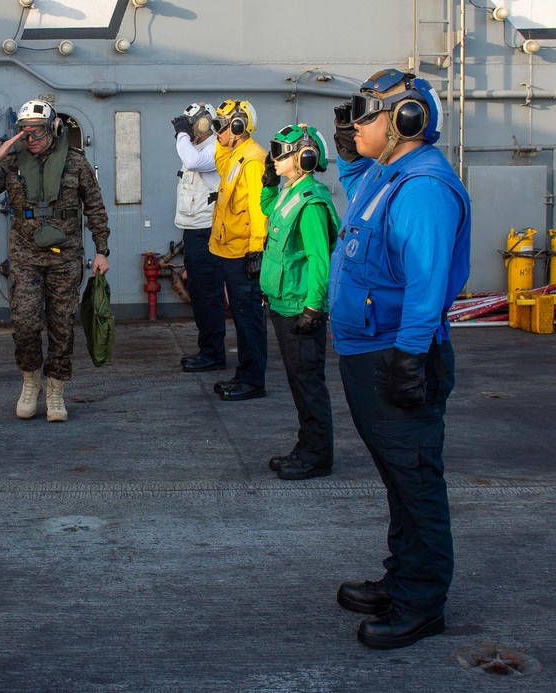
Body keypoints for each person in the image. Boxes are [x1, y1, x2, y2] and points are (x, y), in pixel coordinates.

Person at [328, 69, 471, 649]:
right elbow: (359, 185)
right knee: (397, 477)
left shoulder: (423, 189)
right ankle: (401, 577)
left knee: (416, 481)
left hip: (397, 355)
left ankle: (422, 602)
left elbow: (426, 283)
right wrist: (348, 148)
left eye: (367, 113)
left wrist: (411, 359)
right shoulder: (388, 174)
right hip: (371, 351)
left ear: (406, 120)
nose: (355, 122)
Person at [0, 99, 110, 422]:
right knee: (25, 324)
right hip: (25, 257)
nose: (30, 138)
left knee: (61, 328)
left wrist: (102, 249)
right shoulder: (11, 162)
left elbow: (95, 207)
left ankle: (56, 390)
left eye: (37, 132)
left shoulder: (76, 162)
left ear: (53, 130)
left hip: (66, 258)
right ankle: (31, 381)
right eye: (24, 132)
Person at [259, 124, 340, 480]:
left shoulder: (311, 203)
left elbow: (320, 260)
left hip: (298, 308)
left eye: (281, 152)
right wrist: (268, 180)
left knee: (308, 384)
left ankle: (318, 456)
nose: (274, 158)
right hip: (281, 303)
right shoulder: (291, 192)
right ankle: (306, 446)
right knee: (298, 382)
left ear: (304, 158)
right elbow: (267, 209)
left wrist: (313, 308)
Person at [208, 100, 269, 401]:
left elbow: (260, 209)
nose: (215, 132)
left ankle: (253, 380)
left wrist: (256, 250)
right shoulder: (236, 155)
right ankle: (244, 374)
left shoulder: (253, 159)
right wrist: (222, 143)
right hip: (229, 250)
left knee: (249, 319)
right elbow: (221, 168)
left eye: (220, 126)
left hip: (244, 252)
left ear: (238, 127)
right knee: (242, 319)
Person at [171, 103, 227, 373]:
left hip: (206, 232)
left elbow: (192, 161)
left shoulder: (214, 149)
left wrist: (181, 134)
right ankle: (208, 350)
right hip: (194, 230)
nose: (189, 128)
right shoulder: (199, 149)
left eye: (191, 123)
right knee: (202, 294)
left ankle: (213, 354)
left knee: (208, 295)